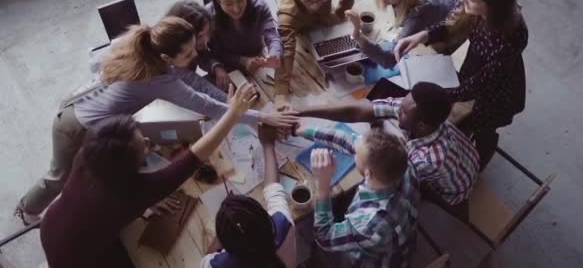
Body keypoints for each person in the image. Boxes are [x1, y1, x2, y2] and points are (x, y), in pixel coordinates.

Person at [15, 17, 299, 225]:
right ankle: (27, 211)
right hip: (77, 128)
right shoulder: (160, 78)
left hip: (78, 109)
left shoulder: (142, 45)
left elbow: (95, 65)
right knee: (59, 178)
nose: (195, 55)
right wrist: (263, 116)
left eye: (194, 48)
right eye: (187, 54)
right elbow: (208, 106)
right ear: (166, 57)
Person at [40, 83, 257, 268]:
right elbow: (193, 158)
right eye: (141, 146)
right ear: (126, 169)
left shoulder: (91, 153)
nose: (147, 142)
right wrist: (232, 114)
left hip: (53, 224)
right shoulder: (135, 193)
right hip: (76, 259)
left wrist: (147, 200)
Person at [394, 0, 528, 168]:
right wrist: (423, 35)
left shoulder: (507, 41)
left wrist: (430, 95)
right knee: (461, 114)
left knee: (483, 127)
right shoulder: (477, 10)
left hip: (497, 92)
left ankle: (478, 163)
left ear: (492, 7)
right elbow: (453, 24)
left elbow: (475, 87)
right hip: (475, 68)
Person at [296, 82, 479, 216]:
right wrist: (300, 111)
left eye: (403, 112)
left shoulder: (423, 160)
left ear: (421, 126)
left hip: (454, 192)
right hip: (467, 158)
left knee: (353, 194)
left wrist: (303, 131)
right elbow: (359, 111)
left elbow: (372, 159)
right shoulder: (417, 111)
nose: (398, 109)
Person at [306, 130, 419, 267]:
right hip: (399, 241)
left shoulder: (370, 225)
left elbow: (324, 237)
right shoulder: (403, 165)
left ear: (368, 173)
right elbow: (352, 142)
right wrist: (299, 130)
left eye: (356, 155)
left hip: (376, 261)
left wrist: (322, 185)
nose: (354, 151)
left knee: (315, 248)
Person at [200, 125, 296, 268]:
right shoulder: (283, 223)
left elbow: (207, 257)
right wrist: (268, 144)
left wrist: (225, 228)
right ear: (264, 215)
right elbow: (273, 188)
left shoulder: (216, 265)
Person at [344, 0, 460, 68]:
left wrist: (357, 34)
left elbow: (390, 59)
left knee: (436, 60)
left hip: (455, 23)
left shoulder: (417, 14)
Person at [274, 0, 358, 107]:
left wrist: (342, 10)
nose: (314, 6)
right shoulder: (287, 15)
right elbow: (286, 51)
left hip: (326, 22)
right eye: (307, 1)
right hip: (301, 32)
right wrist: (281, 94)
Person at [205, 0, 283, 91]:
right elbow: (206, 52)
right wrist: (236, 62)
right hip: (227, 67)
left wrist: (274, 53)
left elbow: (272, 35)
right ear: (217, 1)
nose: (236, 9)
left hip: (257, 58)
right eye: (228, 3)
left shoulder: (259, 6)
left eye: (240, 0)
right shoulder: (207, 16)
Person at [165, 0, 228, 101]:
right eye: (200, 36)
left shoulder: (187, 45)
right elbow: (199, 86)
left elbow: (203, 55)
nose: (206, 40)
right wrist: (233, 101)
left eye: (207, 33)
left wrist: (216, 67)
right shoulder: (172, 61)